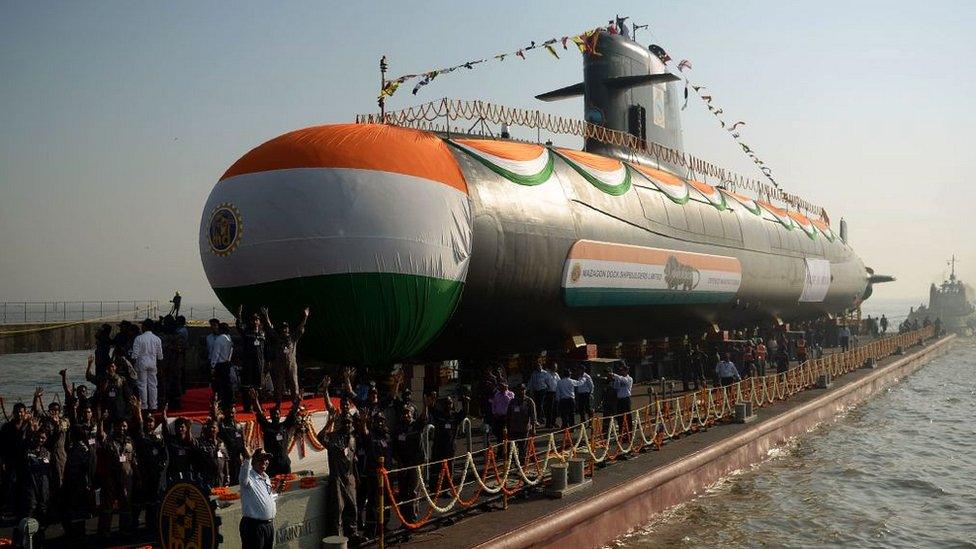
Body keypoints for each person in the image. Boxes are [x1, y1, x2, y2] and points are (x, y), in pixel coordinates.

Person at [321, 415, 359, 541]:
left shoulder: (353, 439)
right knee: (338, 509)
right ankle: (337, 538)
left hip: (349, 477)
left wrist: (356, 478)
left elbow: (353, 460)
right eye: (345, 423)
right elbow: (320, 437)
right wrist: (329, 423)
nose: (347, 425)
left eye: (349, 423)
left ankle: (352, 534)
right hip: (337, 477)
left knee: (353, 506)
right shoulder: (333, 436)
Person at [250, 389, 301, 476]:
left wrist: (298, 402)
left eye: (277, 414)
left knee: (287, 483)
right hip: (272, 463)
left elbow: (292, 414)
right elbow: (260, 414)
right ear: (271, 416)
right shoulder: (267, 426)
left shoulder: (284, 426)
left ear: (280, 415)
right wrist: (255, 400)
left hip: (284, 461)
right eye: (274, 414)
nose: (276, 416)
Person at [266, 307, 310, 405]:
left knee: (294, 383)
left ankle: (295, 402)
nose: (284, 330)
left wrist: (305, 317)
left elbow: (300, 328)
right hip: (280, 364)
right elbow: (270, 329)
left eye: (286, 328)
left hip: (291, 364)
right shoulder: (278, 339)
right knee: (279, 384)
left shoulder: (293, 338)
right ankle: (278, 402)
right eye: (283, 329)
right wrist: (266, 316)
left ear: (288, 329)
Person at [239, 446, 279, 549]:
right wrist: (248, 459)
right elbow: (243, 477)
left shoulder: (266, 477)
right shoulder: (249, 478)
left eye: (266, 459)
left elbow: (266, 497)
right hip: (253, 526)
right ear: (253, 461)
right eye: (261, 459)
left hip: (268, 525)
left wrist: (277, 492)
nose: (264, 462)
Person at [391, 405, 424, 524]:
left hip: (414, 464)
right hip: (402, 465)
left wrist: (425, 405)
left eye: (408, 413)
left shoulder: (416, 425)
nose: (406, 415)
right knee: (403, 492)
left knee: (414, 492)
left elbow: (423, 419)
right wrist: (400, 462)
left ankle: (413, 519)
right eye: (404, 413)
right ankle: (404, 520)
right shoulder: (398, 428)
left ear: (412, 414)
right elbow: (394, 448)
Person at [236, 306, 270, 409]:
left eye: (257, 320)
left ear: (259, 322)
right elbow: (239, 326)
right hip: (248, 362)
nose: (255, 322)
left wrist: (266, 315)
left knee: (259, 385)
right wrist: (239, 314)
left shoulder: (263, 333)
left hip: (259, 362)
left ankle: (258, 406)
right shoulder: (247, 332)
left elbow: (270, 329)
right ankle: (247, 406)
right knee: (247, 384)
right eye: (254, 320)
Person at [131, 319, 163, 410]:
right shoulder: (157, 339)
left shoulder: (139, 338)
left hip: (141, 363)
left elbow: (134, 355)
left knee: (142, 385)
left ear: (145, 327)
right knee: (153, 385)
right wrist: (160, 367)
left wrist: (132, 367)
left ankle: (144, 406)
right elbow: (160, 356)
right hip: (153, 363)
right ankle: (153, 405)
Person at [506, 384, 538, 463]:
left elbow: (533, 416)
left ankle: (522, 464)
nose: (521, 391)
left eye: (523, 389)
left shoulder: (529, 401)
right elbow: (508, 415)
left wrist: (533, 429)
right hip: (513, 428)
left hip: (524, 428)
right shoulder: (512, 401)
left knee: (523, 447)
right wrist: (506, 427)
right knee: (512, 447)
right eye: (520, 390)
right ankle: (513, 463)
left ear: (525, 390)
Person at [210, 322, 235, 406]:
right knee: (228, 383)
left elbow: (216, 354)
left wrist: (213, 366)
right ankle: (230, 400)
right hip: (227, 362)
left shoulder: (218, 339)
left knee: (219, 384)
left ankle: (221, 401)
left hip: (220, 364)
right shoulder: (229, 338)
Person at [608, 364, 634, 430]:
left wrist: (614, 375)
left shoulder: (629, 379)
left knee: (628, 416)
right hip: (619, 400)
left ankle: (630, 431)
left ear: (626, 371)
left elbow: (624, 381)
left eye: (623, 370)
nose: (621, 372)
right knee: (620, 416)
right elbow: (615, 387)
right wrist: (612, 379)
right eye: (620, 370)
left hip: (626, 399)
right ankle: (621, 430)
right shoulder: (619, 379)